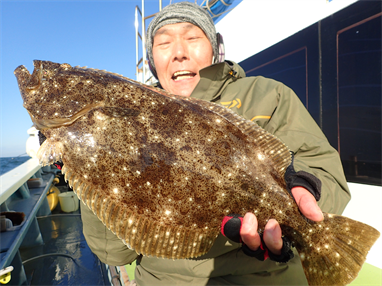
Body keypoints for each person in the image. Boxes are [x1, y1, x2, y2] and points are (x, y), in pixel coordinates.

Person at [81, 2, 350, 285]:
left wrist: (305, 186)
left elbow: (319, 164)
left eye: (192, 38)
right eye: (163, 43)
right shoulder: (127, 121)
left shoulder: (267, 95)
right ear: (151, 61)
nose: (179, 53)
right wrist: (89, 173)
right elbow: (114, 252)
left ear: (215, 49)